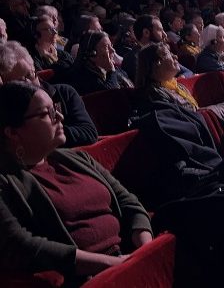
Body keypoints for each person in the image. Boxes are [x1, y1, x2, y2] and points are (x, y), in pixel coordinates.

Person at [0, 82, 153, 280]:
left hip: (133, 256)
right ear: (12, 132)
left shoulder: (78, 159)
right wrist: (115, 265)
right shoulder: (7, 181)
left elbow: (128, 201)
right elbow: (22, 245)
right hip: (93, 278)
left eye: (55, 108)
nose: (60, 117)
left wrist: (145, 248)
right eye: (46, 113)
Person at [0, 41, 98, 148]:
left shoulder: (64, 93)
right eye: (19, 82)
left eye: (30, 75)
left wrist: (50, 132)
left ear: (35, 70)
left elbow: (89, 133)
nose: (28, 84)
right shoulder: (8, 114)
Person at [68, 31, 133, 96]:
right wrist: (111, 71)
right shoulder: (84, 79)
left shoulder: (118, 71)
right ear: (92, 55)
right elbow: (111, 97)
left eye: (111, 45)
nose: (113, 50)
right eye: (106, 47)